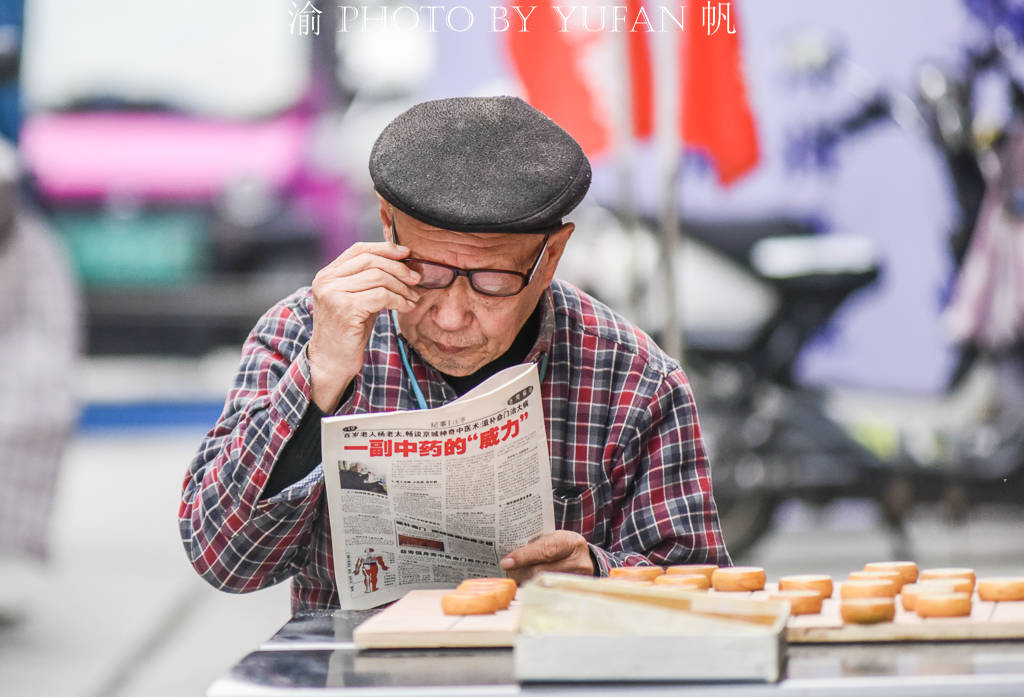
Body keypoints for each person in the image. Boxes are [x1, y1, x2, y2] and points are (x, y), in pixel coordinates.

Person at [179, 96, 731, 611]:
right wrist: (320, 377)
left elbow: (700, 591)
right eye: (423, 272)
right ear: (386, 224)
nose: (450, 315)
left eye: (492, 280)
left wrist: (598, 574)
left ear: (553, 255)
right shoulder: (307, 330)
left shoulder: (631, 378)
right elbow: (224, 562)